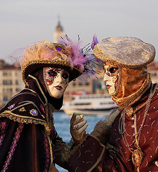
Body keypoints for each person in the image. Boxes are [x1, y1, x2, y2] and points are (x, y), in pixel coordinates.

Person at [0, 36, 95, 172]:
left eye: (65, 76)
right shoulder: (28, 105)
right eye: (52, 73)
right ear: (39, 75)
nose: (60, 80)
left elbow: (57, 153)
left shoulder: (43, 108)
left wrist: (77, 139)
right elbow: (32, 162)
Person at [68, 37, 158, 172]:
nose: (105, 78)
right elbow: (112, 167)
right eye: (105, 71)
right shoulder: (118, 119)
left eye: (112, 70)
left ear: (130, 73)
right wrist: (84, 141)